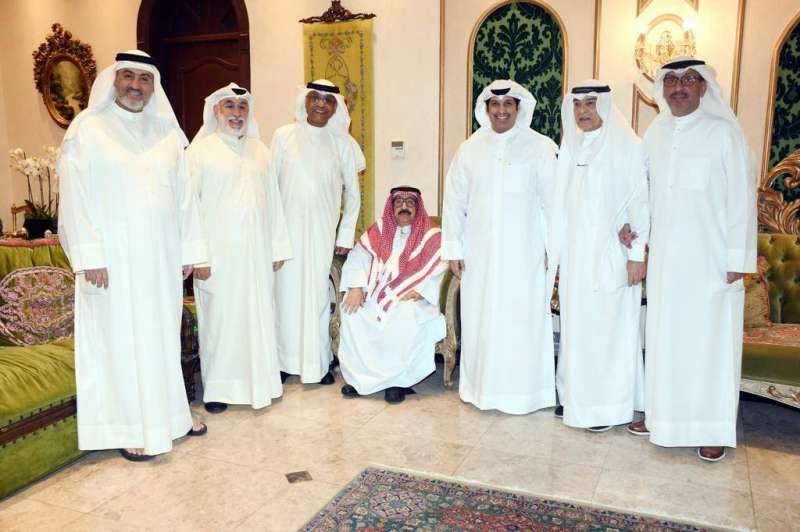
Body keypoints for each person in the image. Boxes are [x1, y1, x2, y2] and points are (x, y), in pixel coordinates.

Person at [57, 50, 208, 461]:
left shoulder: (167, 133)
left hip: (160, 259)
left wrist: (189, 249)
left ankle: (171, 418)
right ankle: (128, 427)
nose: (136, 86)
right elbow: (73, 196)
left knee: (160, 337)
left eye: (144, 79)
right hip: (111, 262)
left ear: (153, 86)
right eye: (128, 77)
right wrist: (89, 255)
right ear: (113, 80)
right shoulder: (87, 130)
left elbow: (185, 198)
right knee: (119, 339)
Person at [623, 57, 757, 462]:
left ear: (703, 87)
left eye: (689, 80)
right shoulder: (656, 134)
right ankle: (660, 417)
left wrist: (737, 258)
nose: (679, 87)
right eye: (672, 81)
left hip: (712, 261)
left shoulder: (724, 133)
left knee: (709, 344)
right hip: (666, 261)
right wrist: (631, 230)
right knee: (664, 340)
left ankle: (710, 428)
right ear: (662, 88)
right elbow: (642, 192)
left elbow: (742, 199)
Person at [442, 79, 558, 415]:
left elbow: (553, 203)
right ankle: (481, 390)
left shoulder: (540, 147)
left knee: (521, 320)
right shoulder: (469, 149)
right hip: (479, 255)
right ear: (487, 108)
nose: (502, 110)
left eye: (508, 104)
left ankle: (525, 394)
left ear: (519, 108)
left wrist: (553, 249)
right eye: (495, 104)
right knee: (481, 319)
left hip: (525, 253)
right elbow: (454, 201)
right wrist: (454, 248)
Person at [547, 80, 649, 432]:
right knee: (577, 329)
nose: (583, 111)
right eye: (577, 104)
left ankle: (606, 408)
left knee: (608, 330)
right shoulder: (572, 145)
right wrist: (554, 255)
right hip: (575, 258)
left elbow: (639, 203)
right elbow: (560, 207)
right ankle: (575, 397)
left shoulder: (628, 146)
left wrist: (636, 253)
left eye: (590, 103)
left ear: (604, 105)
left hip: (611, 256)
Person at [187, 83, 292, 414]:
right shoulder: (199, 152)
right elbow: (187, 208)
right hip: (217, 257)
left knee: (259, 316)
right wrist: (196, 256)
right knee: (221, 322)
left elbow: (274, 201)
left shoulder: (260, 150)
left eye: (242, 107)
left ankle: (263, 384)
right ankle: (219, 389)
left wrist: (277, 247)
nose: (236, 113)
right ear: (216, 111)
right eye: (229, 106)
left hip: (258, 254)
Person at [271, 80, 364, 385]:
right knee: (285, 296)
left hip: (323, 232)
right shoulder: (283, 136)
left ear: (336, 107)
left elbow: (353, 194)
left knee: (317, 297)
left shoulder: (342, 144)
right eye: (315, 98)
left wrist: (345, 235)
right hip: (286, 232)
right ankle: (284, 362)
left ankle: (317, 363)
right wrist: (273, 236)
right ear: (305, 101)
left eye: (328, 100)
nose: (321, 104)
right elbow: (270, 188)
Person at [338, 186, 447, 404]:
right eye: (399, 203)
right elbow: (358, 256)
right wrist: (356, 287)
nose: (404, 207)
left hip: (412, 297)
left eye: (410, 203)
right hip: (376, 293)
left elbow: (443, 264)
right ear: (392, 207)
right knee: (352, 312)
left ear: (418, 207)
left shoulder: (432, 235)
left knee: (405, 315)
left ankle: (397, 382)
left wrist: (421, 290)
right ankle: (360, 380)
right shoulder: (379, 230)